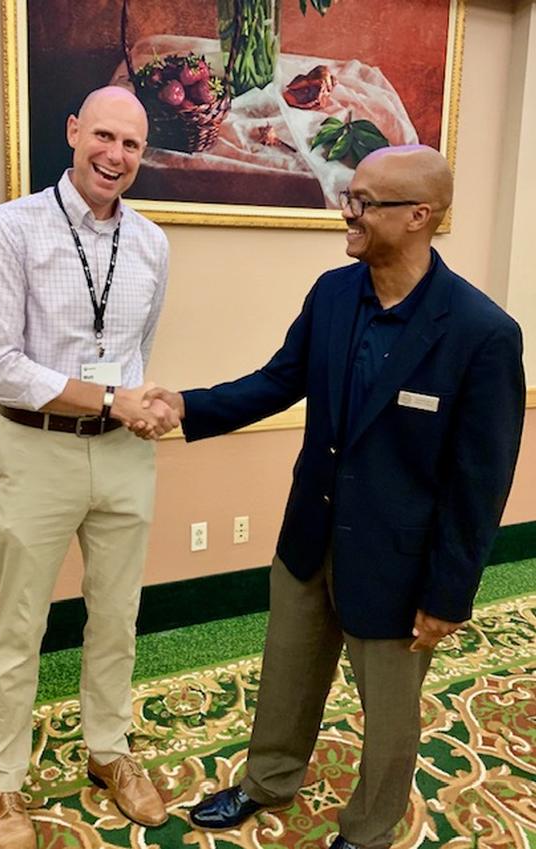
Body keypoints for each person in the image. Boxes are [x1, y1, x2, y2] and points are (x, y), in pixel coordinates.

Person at [142, 146, 525, 849]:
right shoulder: (332, 293)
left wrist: (448, 596)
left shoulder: (482, 334)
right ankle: (268, 780)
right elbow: (276, 380)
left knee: (390, 713)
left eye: (363, 201)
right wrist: (186, 405)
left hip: (398, 565)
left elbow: (480, 484)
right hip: (309, 538)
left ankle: (370, 829)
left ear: (420, 216)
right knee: (287, 675)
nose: (344, 212)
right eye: (348, 195)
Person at [0, 86, 180, 849]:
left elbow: (137, 354)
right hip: (37, 448)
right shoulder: (12, 227)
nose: (115, 155)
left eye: (130, 144)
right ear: (72, 132)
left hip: (124, 456)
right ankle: (3, 786)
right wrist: (116, 396)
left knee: (118, 616)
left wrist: (143, 406)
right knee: (19, 623)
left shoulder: (153, 243)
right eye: (102, 136)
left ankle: (109, 751)